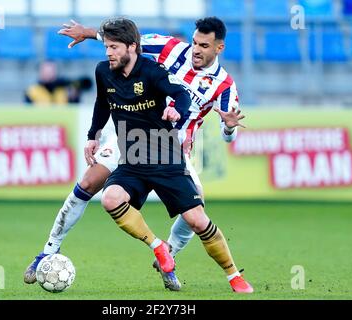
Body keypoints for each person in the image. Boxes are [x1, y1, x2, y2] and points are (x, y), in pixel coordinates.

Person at [24, 17, 252, 293]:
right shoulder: (168, 48)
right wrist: (88, 33)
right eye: (194, 42)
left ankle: (169, 253)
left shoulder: (225, 86)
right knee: (88, 182)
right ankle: (47, 251)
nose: (195, 50)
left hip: (171, 148)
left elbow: (230, 133)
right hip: (131, 135)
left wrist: (228, 128)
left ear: (219, 48)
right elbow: (127, 43)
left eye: (204, 45)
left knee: (196, 211)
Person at [25, 60, 92, 105]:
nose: (48, 74)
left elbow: (74, 109)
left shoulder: (64, 89)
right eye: (45, 71)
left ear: (55, 72)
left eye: (51, 71)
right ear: (40, 72)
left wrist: (75, 96)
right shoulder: (32, 91)